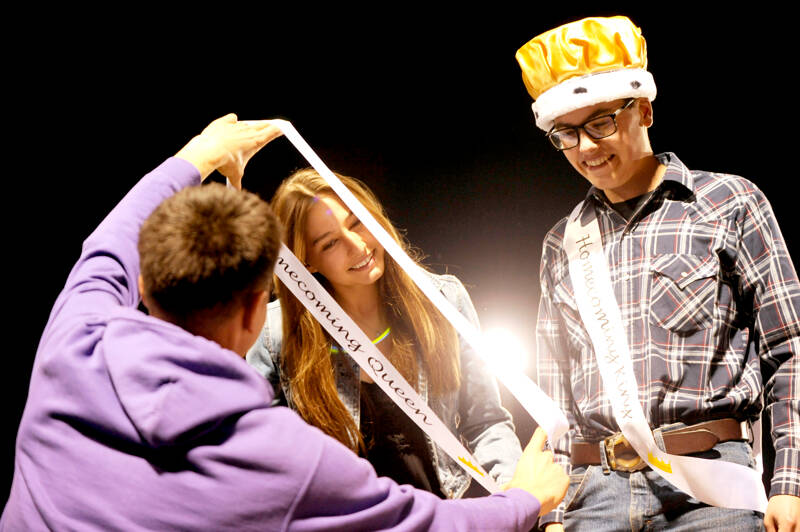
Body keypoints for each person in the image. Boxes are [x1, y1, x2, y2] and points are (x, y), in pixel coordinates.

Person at [1, 114, 568, 530]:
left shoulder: (71, 340)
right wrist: (523, 502)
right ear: (258, 313)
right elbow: (420, 526)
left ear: (142, 286)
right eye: (327, 241)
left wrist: (197, 154)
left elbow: (106, 246)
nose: (353, 246)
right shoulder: (279, 455)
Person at [515, 15, 800, 532]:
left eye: (601, 122)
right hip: (594, 492)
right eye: (566, 133)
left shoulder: (728, 202)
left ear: (643, 109)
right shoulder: (562, 241)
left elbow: (788, 348)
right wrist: (553, 513)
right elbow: (554, 390)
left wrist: (788, 483)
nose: (586, 147)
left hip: (714, 488)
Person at [247, 167, 522, 499]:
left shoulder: (442, 299)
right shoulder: (276, 334)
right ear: (307, 263)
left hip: (447, 514)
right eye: (331, 242)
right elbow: (257, 453)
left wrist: (516, 499)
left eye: (357, 222)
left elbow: (487, 422)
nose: (357, 245)